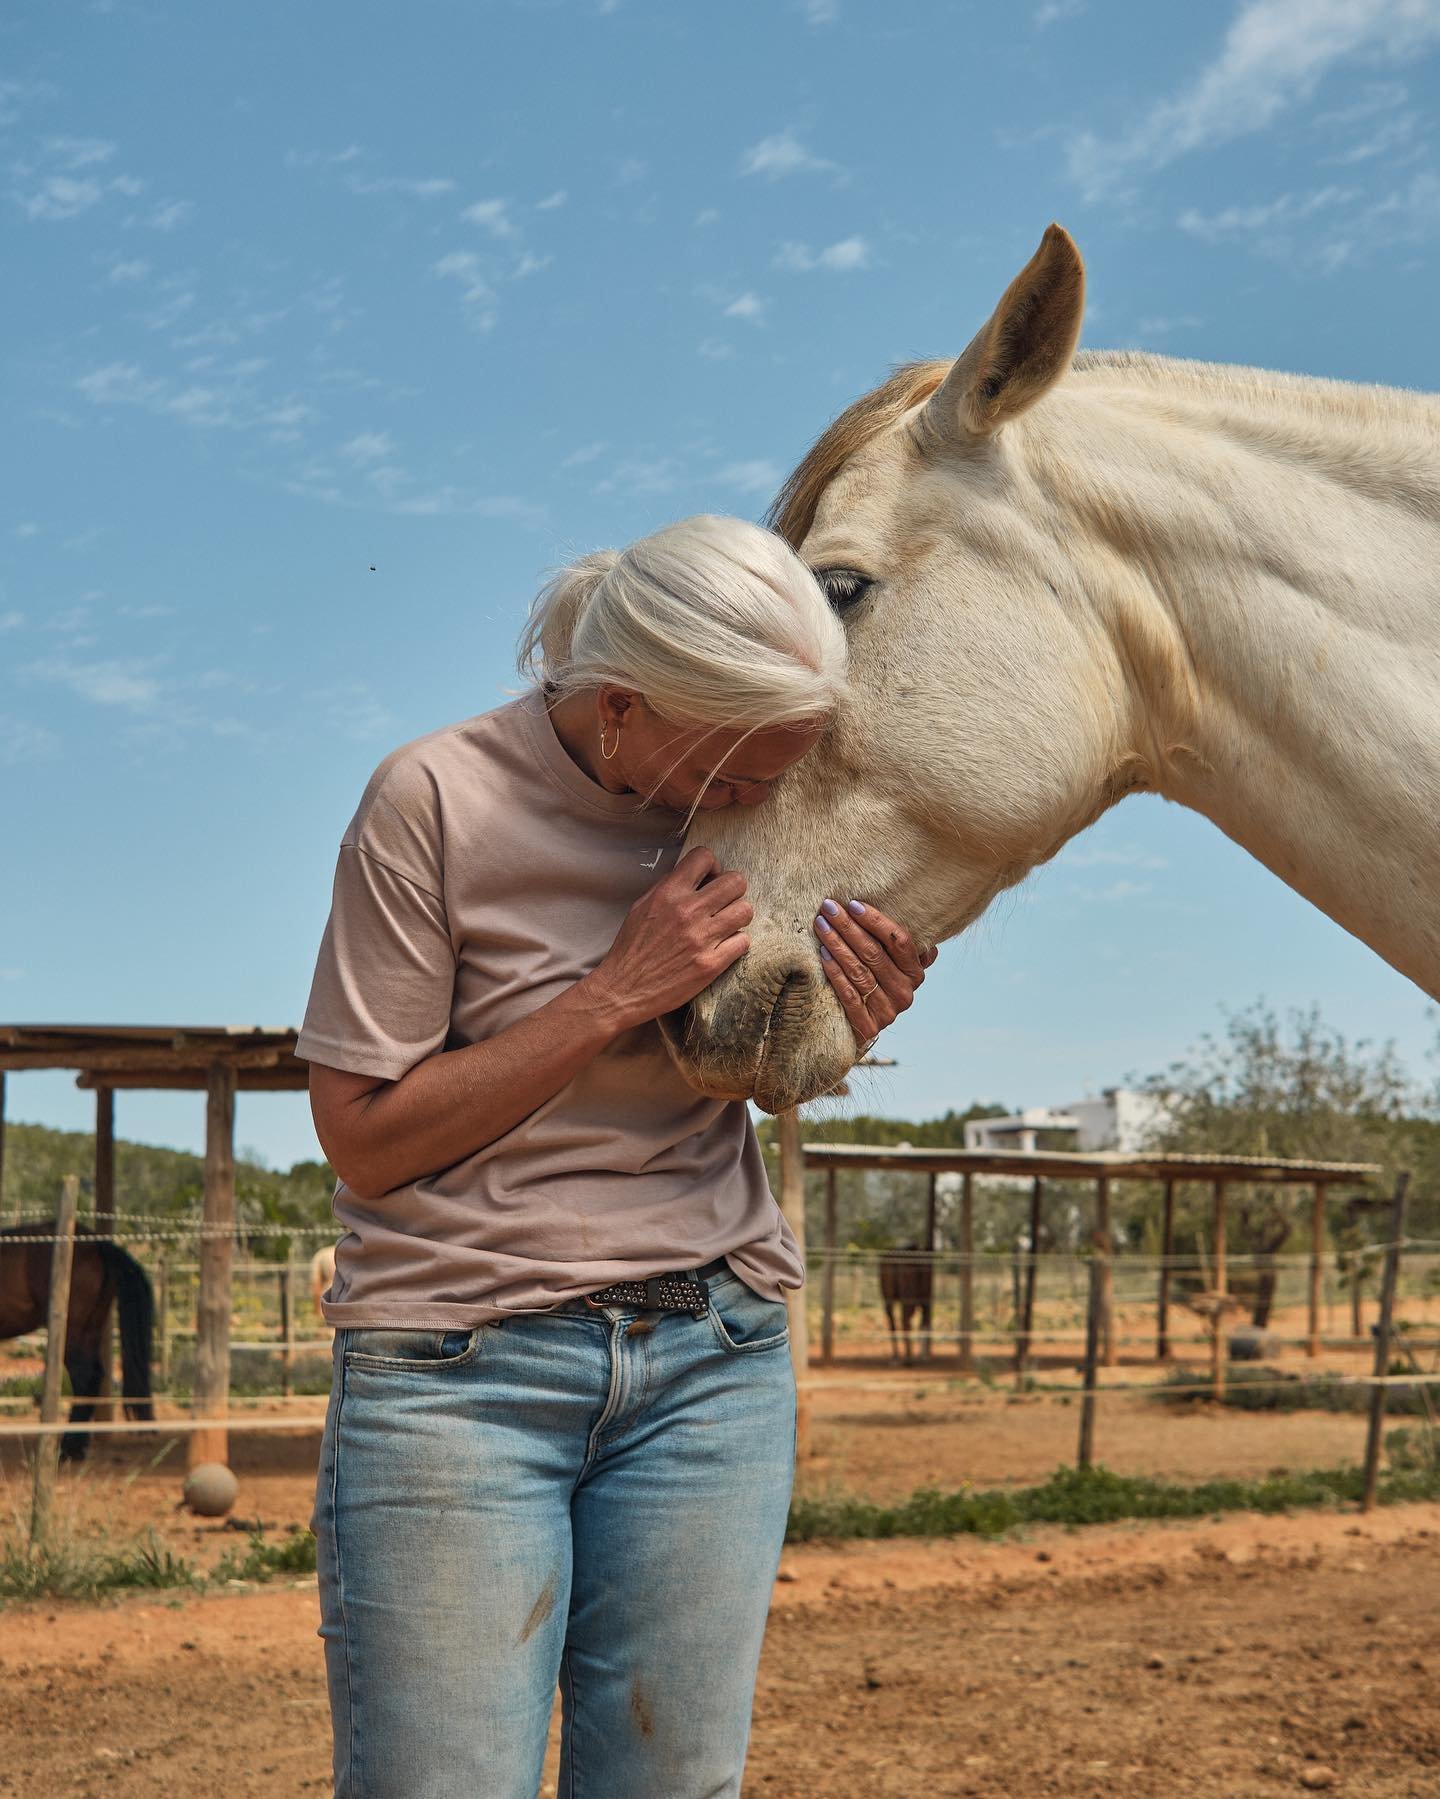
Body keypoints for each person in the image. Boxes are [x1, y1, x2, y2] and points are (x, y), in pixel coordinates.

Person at [296, 513, 936, 1798]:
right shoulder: (431, 799)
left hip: (715, 1356)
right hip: (460, 1373)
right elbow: (364, 1141)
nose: (762, 805)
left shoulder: (757, 795)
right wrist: (607, 992)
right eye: (740, 774)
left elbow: (747, 1075)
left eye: (783, 770)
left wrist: (840, 1021)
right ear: (627, 709)